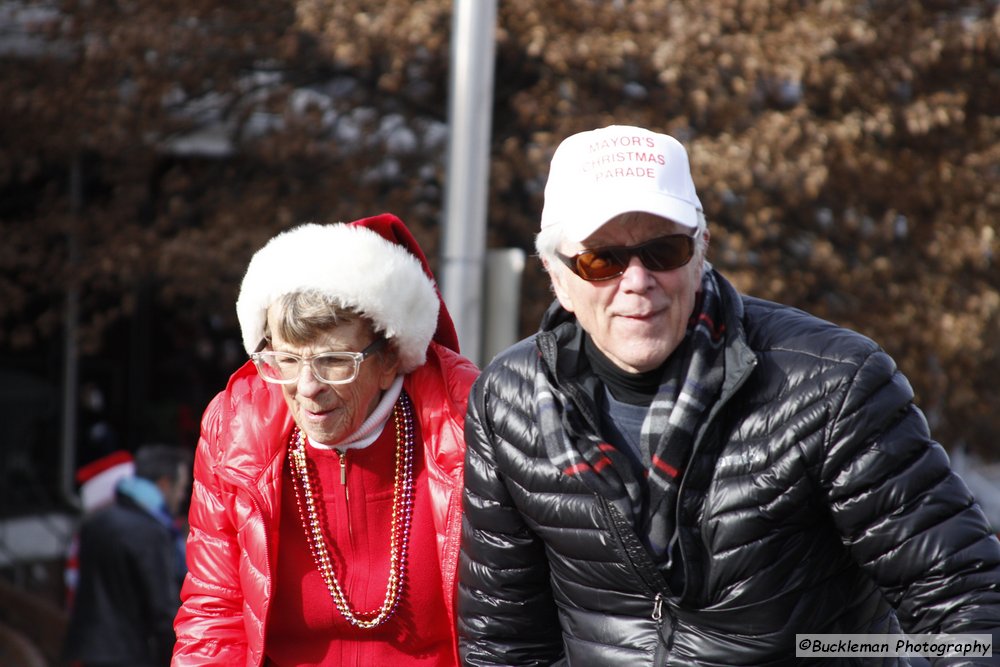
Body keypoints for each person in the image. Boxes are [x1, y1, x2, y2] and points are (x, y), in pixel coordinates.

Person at [457, 125, 1000, 665]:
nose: (638, 280)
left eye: (663, 250)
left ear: (700, 253)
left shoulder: (834, 383)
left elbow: (967, 609)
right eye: (602, 260)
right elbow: (505, 646)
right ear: (557, 276)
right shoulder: (509, 401)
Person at [173, 214, 479, 666]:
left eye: (335, 361)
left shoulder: (468, 423)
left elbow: (513, 616)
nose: (307, 387)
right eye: (286, 360)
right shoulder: (235, 428)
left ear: (391, 357)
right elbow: (214, 611)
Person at [62, 443, 192, 667]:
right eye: (181, 487)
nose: (182, 496)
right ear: (164, 484)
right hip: (129, 654)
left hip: (88, 650)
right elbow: (162, 610)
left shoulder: (97, 521)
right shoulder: (152, 531)